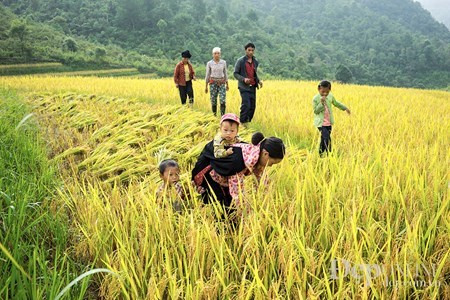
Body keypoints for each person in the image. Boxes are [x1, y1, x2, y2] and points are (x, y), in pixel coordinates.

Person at [192, 132, 285, 213]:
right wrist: (245, 214)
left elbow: (261, 177)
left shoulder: (254, 152)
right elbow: (237, 193)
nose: (270, 166)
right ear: (266, 154)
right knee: (223, 209)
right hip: (209, 174)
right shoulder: (238, 162)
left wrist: (267, 200)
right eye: (272, 163)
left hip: (224, 175)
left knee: (228, 205)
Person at [312, 80, 351, 156]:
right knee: (327, 138)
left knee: (324, 138)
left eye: (327, 92)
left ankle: (321, 153)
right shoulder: (315, 98)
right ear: (319, 89)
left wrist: (345, 108)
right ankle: (328, 153)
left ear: (330, 90)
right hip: (320, 123)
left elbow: (336, 103)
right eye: (323, 92)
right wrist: (321, 103)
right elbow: (315, 111)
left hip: (329, 122)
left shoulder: (330, 96)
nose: (325, 94)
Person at [233, 42, 263, 127]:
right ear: (245, 50)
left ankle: (247, 123)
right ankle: (242, 123)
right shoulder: (240, 61)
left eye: (252, 50)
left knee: (252, 106)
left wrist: (259, 81)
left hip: (252, 86)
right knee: (246, 104)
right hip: (244, 87)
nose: (250, 52)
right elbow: (235, 73)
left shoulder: (255, 61)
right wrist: (243, 79)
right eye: (249, 50)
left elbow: (254, 74)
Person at [205, 47, 229, 116]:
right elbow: (207, 75)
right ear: (213, 54)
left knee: (222, 100)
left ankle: (222, 115)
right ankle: (214, 115)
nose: (217, 55)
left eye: (218, 53)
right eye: (215, 53)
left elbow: (225, 73)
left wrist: (227, 84)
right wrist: (206, 86)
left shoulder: (223, 62)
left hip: (221, 83)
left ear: (220, 54)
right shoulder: (209, 63)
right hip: (213, 83)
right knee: (213, 100)